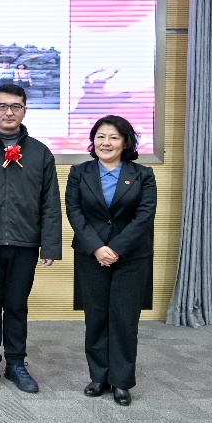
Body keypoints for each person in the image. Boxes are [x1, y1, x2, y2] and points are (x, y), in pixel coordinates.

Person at [0, 84, 61, 394]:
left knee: (17, 306)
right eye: (2, 106)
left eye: (15, 106)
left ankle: (16, 363)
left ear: (24, 111)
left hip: (25, 243)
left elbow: (50, 203)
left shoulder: (40, 152)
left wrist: (49, 245)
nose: (9, 112)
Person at [65, 115, 156, 406]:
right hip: (91, 256)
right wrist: (97, 248)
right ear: (93, 141)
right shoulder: (79, 172)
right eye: (101, 136)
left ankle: (121, 381)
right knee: (96, 317)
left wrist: (115, 248)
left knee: (124, 319)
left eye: (114, 137)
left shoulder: (142, 174)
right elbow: (74, 212)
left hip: (131, 257)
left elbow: (144, 216)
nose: (106, 142)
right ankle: (99, 376)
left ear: (125, 142)